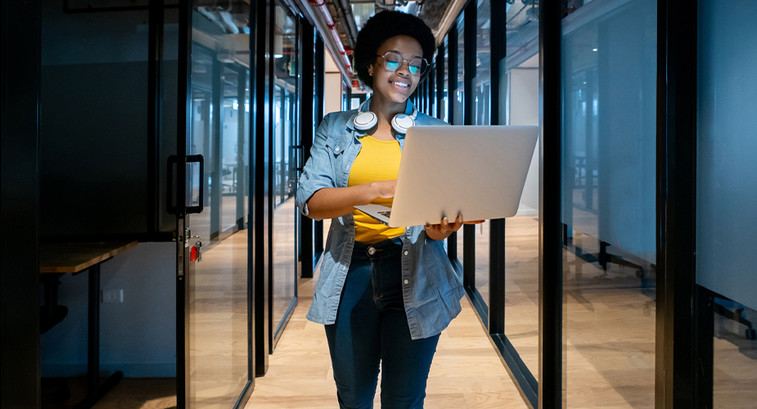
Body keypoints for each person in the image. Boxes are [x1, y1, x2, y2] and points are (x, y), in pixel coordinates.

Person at [295, 10, 468, 409]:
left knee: (404, 399)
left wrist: (440, 229)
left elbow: (443, 207)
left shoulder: (436, 133)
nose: (403, 71)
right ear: (372, 64)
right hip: (350, 273)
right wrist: (373, 190)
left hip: (417, 271)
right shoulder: (335, 128)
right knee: (353, 397)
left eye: (414, 64)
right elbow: (311, 202)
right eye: (393, 59)